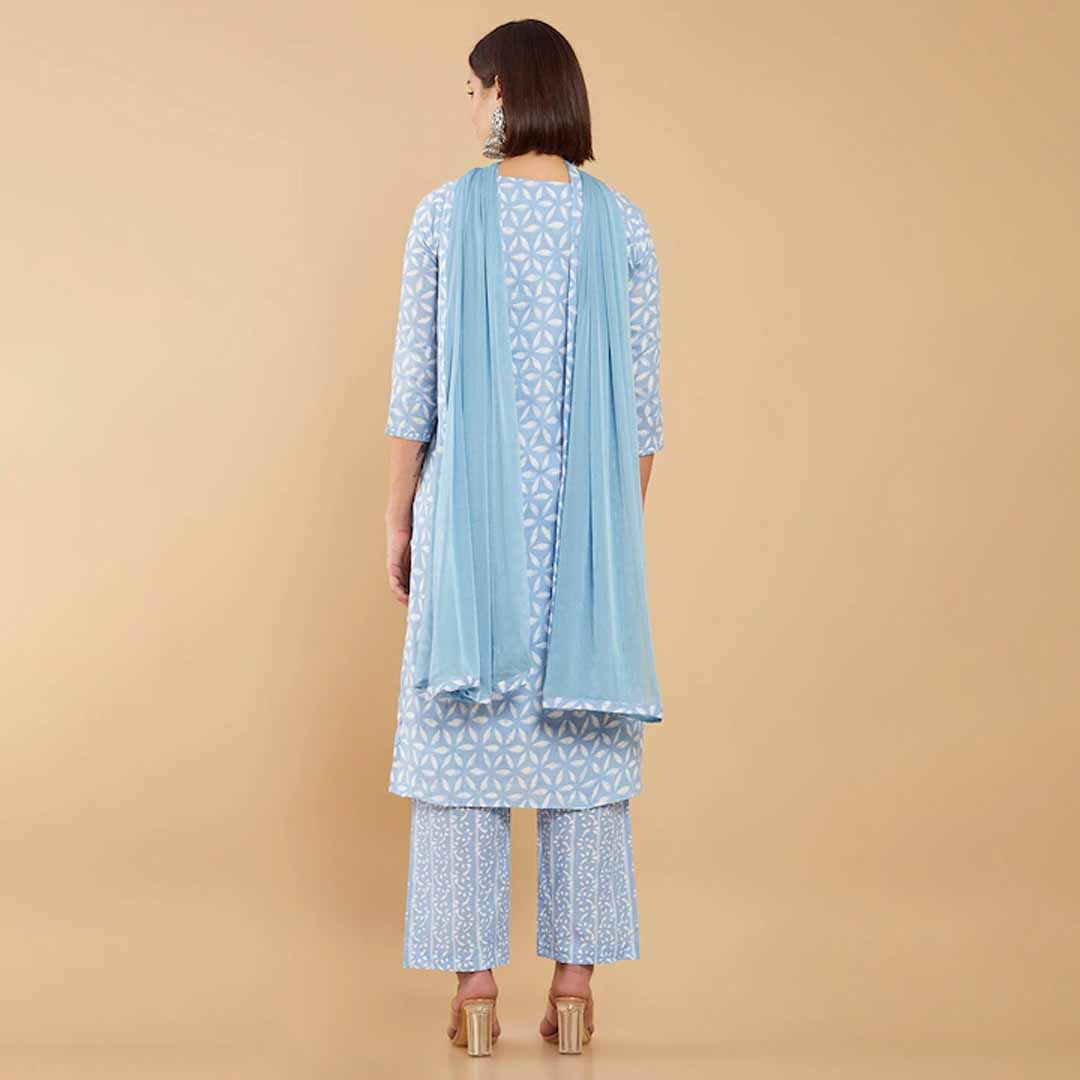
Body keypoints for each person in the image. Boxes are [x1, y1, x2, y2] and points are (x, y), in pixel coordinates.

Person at [383, 18, 665, 1056]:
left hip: (471, 535)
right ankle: (576, 989)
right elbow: (641, 422)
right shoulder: (622, 227)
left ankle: (474, 991)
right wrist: (607, 550)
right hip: (583, 541)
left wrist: (399, 516)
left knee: (461, 752)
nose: (469, 108)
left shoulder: (443, 217)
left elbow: (414, 394)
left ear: (503, 91)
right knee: (583, 755)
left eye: (473, 90)